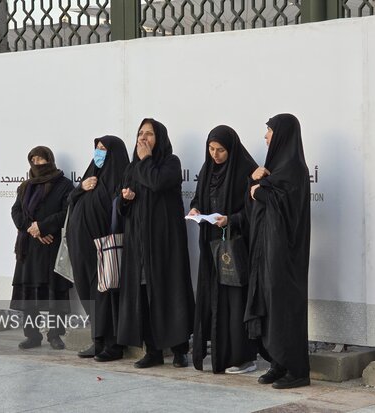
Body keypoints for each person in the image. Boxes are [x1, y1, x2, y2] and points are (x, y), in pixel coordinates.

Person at [117, 118, 195, 368]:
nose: (143, 138)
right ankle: (153, 351)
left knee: (171, 292)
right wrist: (125, 200)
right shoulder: (131, 168)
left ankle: (180, 349)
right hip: (138, 244)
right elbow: (120, 207)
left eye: (149, 134)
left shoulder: (170, 163)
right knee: (144, 294)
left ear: (159, 137)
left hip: (165, 242)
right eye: (140, 133)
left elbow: (157, 182)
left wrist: (146, 159)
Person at [245, 114, 311, 389]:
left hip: (286, 255)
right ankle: (277, 363)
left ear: (282, 135)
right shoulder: (274, 168)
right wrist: (255, 182)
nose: (266, 136)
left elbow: (282, 203)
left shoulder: (294, 168)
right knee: (271, 304)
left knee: (285, 307)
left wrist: (259, 191)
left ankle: (297, 370)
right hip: (267, 250)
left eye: (269, 131)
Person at [188, 125, 258, 374]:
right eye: (211, 149)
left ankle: (243, 358)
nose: (215, 155)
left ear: (231, 150)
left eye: (220, 150)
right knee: (213, 300)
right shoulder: (207, 170)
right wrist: (196, 209)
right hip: (211, 245)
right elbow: (198, 198)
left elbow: (253, 211)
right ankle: (219, 354)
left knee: (234, 301)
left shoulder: (244, 171)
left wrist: (231, 219)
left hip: (234, 246)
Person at [66, 136, 130, 361]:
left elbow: (121, 210)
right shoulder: (90, 173)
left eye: (104, 149)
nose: (99, 152)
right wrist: (81, 188)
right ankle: (97, 340)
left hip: (104, 247)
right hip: (80, 247)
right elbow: (70, 200)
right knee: (87, 292)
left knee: (106, 294)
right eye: (97, 148)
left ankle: (113, 345)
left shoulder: (122, 176)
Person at [10, 146, 74, 350]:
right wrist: (33, 229)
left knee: (55, 293)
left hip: (51, 247)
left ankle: (55, 335)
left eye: (41, 159)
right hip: (29, 248)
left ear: (50, 160)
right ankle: (32, 335)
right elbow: (16, 211)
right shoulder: (25, 186)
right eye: (33, 160)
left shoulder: (64, 185)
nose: (37, 163)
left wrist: (44, 227)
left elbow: (67, 212)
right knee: (29, 295)